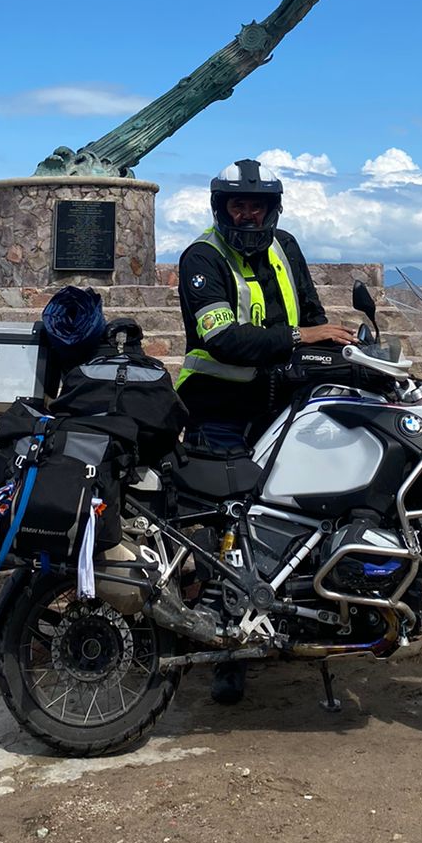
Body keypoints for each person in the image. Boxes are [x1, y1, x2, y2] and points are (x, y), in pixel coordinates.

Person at [176, 158, 354, 706]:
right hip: (218, 409)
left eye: (256, 205)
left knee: (291, 517)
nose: (248, 215)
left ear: (271, 210)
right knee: (225, 530)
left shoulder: (286, 247)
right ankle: (226, 654)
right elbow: (224, 340)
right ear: (222, 208)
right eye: (238, 205)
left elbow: (315, 314)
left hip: (285, 403)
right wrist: (305, 336)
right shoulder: (201, 258)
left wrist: (348, 354)